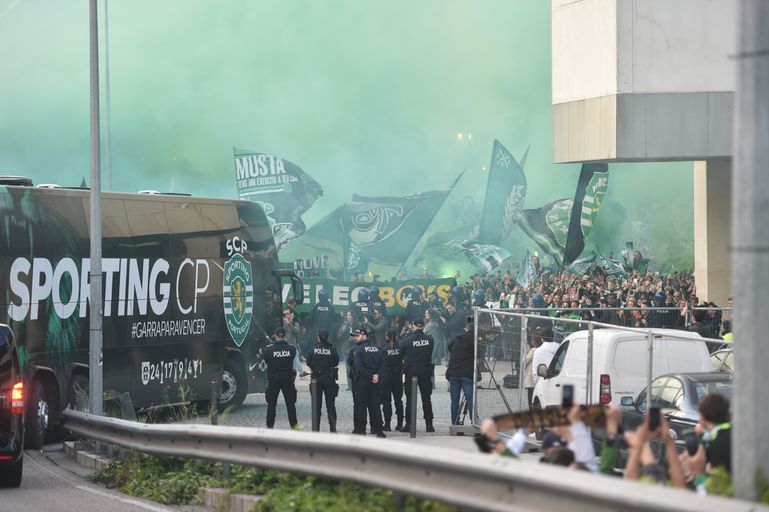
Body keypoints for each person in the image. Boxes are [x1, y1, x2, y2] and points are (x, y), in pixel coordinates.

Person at [398, 318, 435, 433]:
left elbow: (400, 352)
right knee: (426, 399)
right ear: (423, 326)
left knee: (410, 399)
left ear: (413, 326)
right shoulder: (430, 339)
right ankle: (429, 425)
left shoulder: (407, 340)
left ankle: (409, 424)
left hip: (411, 371)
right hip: (425, 371)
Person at [348, 328, 386, 437]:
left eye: (357, 335)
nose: (355, 338)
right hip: (375, 381)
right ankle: (378, 431)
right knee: (375, 406)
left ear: (364, 336)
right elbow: (383, 364)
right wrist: (377, 375)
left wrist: (370, 376)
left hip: (362, 382)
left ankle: (361, 431)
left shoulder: (358, 350)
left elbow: (358, 366)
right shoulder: (377, 348)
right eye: (354, 336)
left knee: (361, 406)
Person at [261, 327, 298, 429]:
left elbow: (267, 361)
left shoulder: (268, 349)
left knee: (271, 404)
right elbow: (292, 359)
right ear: (285, 336)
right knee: (290, 404)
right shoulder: (292, 349)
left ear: (275, 335)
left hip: (274, 379)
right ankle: (294, 426)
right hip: (288, 379)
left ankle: (270, 426)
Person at [305, 329, 340, 433]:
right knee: (331, 406)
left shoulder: (313, 349)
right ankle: (333, 430)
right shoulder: (332, 349)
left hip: (316, 379)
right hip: (329, 378)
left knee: (316, 406)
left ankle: (316, 430)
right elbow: (336, 361)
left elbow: (308, 362)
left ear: (318, 337)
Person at [446, 316, 476, 425]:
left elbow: (449, 347)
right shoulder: (475, 340)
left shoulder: (457, 338)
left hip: (454, 372)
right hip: (466, 373)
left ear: (466, 329)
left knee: (454, 400)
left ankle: (454, 421)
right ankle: (474, 421)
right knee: (470, 398)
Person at [380, 329, 404, 431]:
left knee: (386, 402)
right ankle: (399, 424)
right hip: (397, 377)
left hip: (386, 377)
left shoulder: (384, 349)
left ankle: (387, 424)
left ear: (387, 337)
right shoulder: (400, 348)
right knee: (398, 401)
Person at [524, 332, 542, 409]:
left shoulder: (533, 350)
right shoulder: (541, 349)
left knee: (530, 397)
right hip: (539, 377)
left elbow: (525, 361)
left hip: (531, 378)